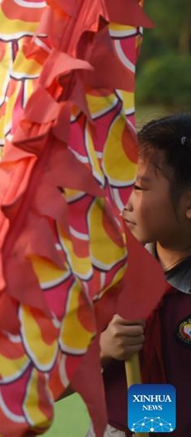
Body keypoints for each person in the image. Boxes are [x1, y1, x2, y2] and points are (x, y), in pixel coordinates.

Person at [95, 114, 191, 437]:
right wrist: (105, 349)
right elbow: (50, 384)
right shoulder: (111, 275)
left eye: (137, 187)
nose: (125, 201)